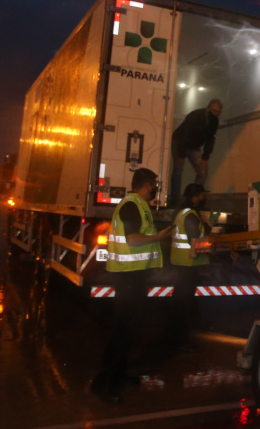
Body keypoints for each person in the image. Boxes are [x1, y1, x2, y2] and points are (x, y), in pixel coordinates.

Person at [90, 168, 173, 405]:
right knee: (123, 329)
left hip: (134, 276)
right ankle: (104, 383)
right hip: (127, 277)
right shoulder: (131, 205)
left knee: (128, 328)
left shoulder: (138, 205)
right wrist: (158, 238)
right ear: (147, 185)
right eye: (155, 184)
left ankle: (118, 376)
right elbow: (132, 239)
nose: (156, 188)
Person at [165, 183, 211, 352]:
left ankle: (174, 336)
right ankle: (179, 339)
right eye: (202, 194)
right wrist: (208, 234)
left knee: (180, 302)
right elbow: (195, 241)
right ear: (196, 196)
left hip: (181, 262)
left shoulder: (183, 212)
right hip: (188, 263)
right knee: (183, 303)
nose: (204, 197)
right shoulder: (190, 215)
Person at [170, 99, 222, 199]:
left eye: (218, 112)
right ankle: (175, 200)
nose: (216, 114)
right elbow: (184, 135)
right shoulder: (196, 116)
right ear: (208, 109)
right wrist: (181, 155)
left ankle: (195, 198)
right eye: (214, 111)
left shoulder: (214, 120)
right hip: (179, 142)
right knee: (178, 169)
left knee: (202, 170)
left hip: (192, 145)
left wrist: (205, 157)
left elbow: (211, 138)